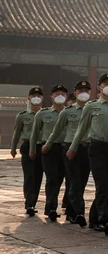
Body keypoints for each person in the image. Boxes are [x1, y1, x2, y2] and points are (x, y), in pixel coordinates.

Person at [68, 73, 108, 235]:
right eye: (106, 83)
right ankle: (104, 219)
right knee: (102, 183)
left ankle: (93, 218)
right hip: (97, 148)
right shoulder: (91, 107)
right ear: (99, 87)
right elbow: (81, 129)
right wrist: (73, 147)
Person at [44, 80, 92, 227]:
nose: (83, 92)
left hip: (87, 148)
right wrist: (48, 144)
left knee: (81, 182)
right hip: (70, 149)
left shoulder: (94, 109)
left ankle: (71, 212)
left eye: (86, 90)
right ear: (75, 93)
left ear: (90, 93)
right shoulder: (67, 112)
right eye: (80, 90)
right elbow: (57, 131)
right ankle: (79, 213)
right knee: (74, 181)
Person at [30, 84, 69, 222]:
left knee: (65, 179)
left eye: (63, 94)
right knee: (52, 179)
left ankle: (69, 208)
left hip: (66, 148)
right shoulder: (43, 113)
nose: (60, 96)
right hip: (49, 149)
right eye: (57, 94)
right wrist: (32, 149)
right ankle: (51, 208)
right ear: (51, 97)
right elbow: (35, 133)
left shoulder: (70, 112)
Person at [11, 87, 45, 217]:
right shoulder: (22, 116)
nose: (36, 97)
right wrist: (13, 148)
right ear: (29, 98)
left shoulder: (46, 114)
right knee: (29, 176)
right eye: (33, 95)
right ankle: (29, 203)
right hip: (27, 146)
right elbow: (17, 132)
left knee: (38, 176)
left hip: (41, 147)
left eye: (39, 95)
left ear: (42, 98)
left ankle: (33, 202)